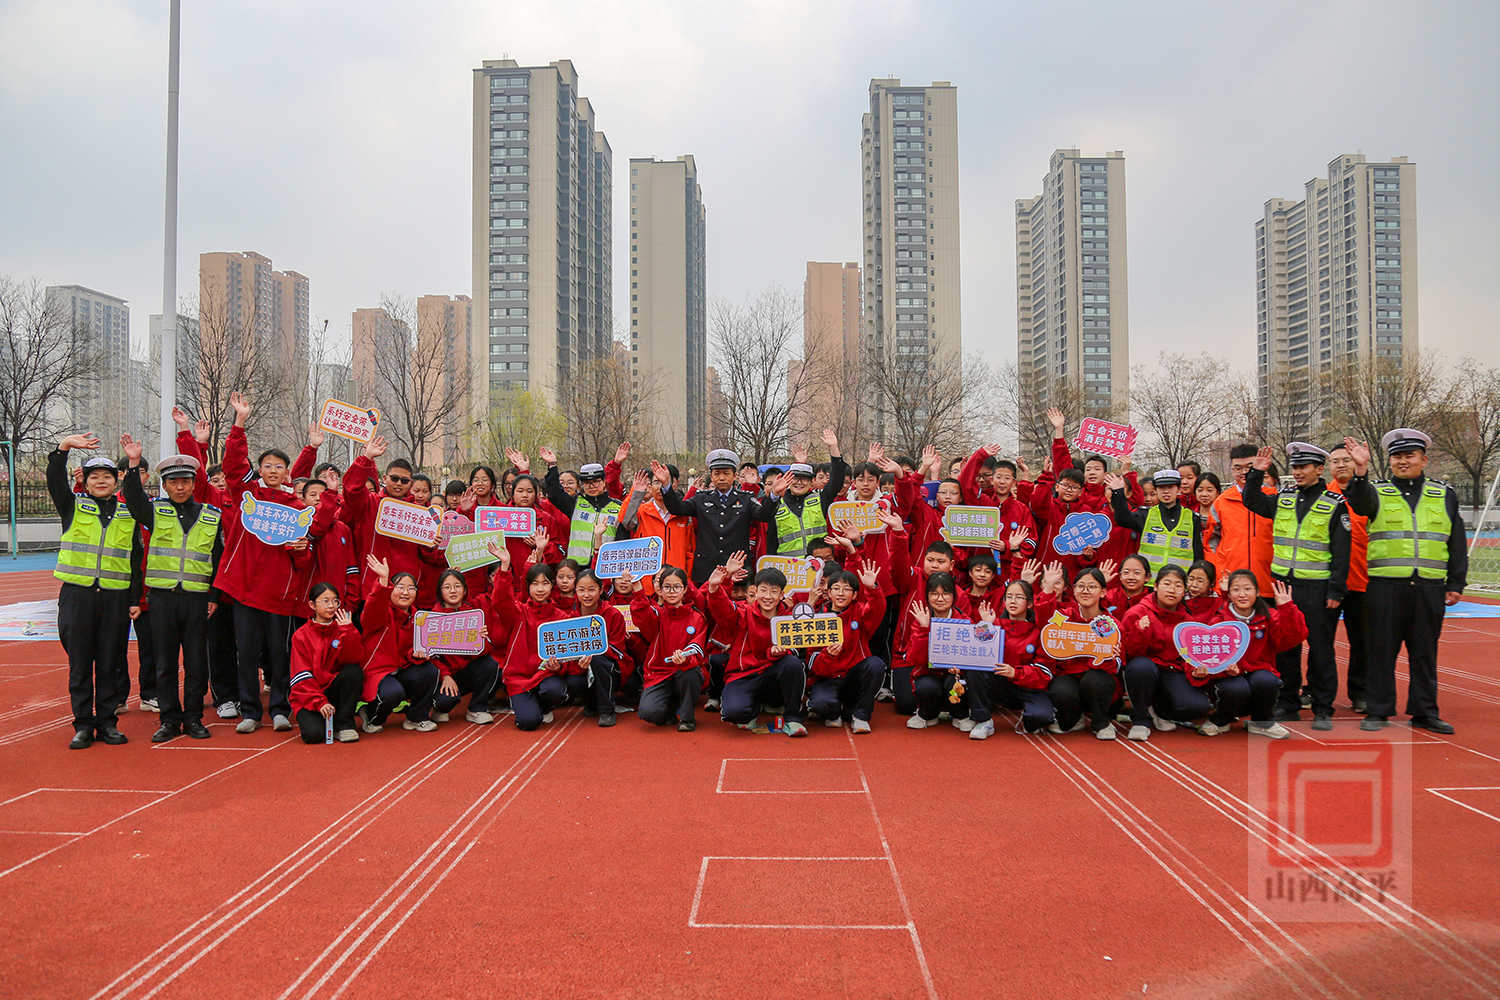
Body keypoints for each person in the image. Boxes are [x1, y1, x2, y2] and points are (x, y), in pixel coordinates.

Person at [1340, 431, 1466, 733]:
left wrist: (1455, 583)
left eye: (1410, 455)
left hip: (1428, 588)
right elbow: (1359, 504)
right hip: (1385, 587)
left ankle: (1425, 712)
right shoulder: (1376, 491)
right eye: (1397, 456)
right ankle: (1378, 710)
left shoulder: (1444, 494)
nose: (1403, 461)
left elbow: (1456, 540)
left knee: (1425, 653)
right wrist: (1360, 469)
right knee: (1381, 651)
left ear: (1424, 459)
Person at [214, 392, 316, 734]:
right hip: (245, 591)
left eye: (279, 467)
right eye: (268, 466)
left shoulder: (297, 508)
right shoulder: (248, 496)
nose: (273, 471)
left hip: (279, 595)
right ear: (260, 470)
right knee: (246, 652)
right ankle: (250, 711)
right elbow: (232, 465)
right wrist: (239, 422)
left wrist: (301, 548)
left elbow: (304, 560)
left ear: (288, 473)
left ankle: (280, 709)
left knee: (279, 653)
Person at [1240, 443, 1351, 728]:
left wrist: (1336, 590)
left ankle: (1323, 708)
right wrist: (1256, 473)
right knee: (1286, 648)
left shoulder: (1334, 503)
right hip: (1284, 587)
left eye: (1304, 467)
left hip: (1317, 588)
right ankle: (1287, 702)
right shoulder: (1284, 498)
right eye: (1295, 467)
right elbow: (1251, 501)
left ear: (1319, 469)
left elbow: (1342, 552)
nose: (1298, 472)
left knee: (1320, 649)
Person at [119, 440, 222, 742]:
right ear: (164, 485)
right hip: (162, 599)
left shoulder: (211, 515)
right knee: (164, 663)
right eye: (173, 482)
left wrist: (214, 596)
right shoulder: (155, 511)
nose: (180, 487)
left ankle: (193, 718)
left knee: (196, 664)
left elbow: (218, 559)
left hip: (196, 600)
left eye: (185, 481)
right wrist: (134, 464)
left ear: (194, 484)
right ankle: (169, 719)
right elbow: (133, 499)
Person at [49, 433, 140, 748]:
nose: (101, 481)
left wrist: (134, 599)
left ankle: (107, 722)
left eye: (107, 476)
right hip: (78, 596)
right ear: (85, 483)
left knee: (109, 662)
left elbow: (135, 559)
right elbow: (55, 482)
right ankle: (83, 724)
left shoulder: (128, 514)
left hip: (114, 598)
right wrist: (63, 448)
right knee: (80, 663)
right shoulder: (73, 507)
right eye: (94, 477)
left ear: (116, 482)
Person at [705, 554, 809, 736]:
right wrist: (715, 587)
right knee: (734, 713)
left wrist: (780, 652)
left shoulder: (789, 618)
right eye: (763, 590)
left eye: (774, 591)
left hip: (773, 674)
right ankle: (754, 707)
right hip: (744, 674)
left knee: (793, 664)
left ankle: (793, 718)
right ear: (755, 591)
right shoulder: (743, 613)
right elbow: (723, 610)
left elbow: (796, 648)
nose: (768, 596)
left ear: (781, 595)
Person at [1196, 571, 1304, 739]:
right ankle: (1220, 720)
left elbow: (1292, 638)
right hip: (1228, 677)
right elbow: (1209, 657)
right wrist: (1224, 669)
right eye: (1236, 590)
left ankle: (1262, 723)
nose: (1242, 594)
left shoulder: (1268, 616)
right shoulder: (1219, 620)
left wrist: (1287, 608)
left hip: (1258, 670)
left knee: (1267, 681)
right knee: (1235, 688)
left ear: (1258, 592)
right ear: (1228, 595)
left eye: (1247, 589)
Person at [1120, 565, 1208, 741]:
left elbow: (1189, 657)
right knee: (1140, 667)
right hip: (1145, 670)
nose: (1172, 590)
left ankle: (1159, 710)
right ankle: (1141, 719)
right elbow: (1127, 653)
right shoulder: (1138, 613)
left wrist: (1197, 670)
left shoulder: (1188, 622)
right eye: (1167, 584)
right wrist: (1140, 631)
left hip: (1171, 671)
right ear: (1156, 586)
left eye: (1178, 585)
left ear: (1184, 591)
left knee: (1197, 706)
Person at [489, 550, 573, 731]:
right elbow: (500, 601)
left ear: (552, 586)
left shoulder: (561, 618)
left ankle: (544, 706)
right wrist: (504, 567)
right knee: (529, 723)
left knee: (555, 691)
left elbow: (567, 655)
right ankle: (526, 705)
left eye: (545, 583)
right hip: (519, 679)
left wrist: (558, 667)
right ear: (528, 587)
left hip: (546, 675)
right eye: (535, 584)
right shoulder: (518, 612)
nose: (540, 589)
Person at [358, 555, 441, 733]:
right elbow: (373, 608)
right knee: (393, 693)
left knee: (429, 671)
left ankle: (416, 717)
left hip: (401, 668)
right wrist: (383, 581)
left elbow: (411, 649)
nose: (405, 592)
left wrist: (416, 654)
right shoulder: (382, 612)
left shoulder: (418, 617)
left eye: (411, 588)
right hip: (378, 672)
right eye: (400, 587)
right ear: (391, 589)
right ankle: (371, 716)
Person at [658, 451, 768, 585]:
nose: (721, 478)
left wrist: (774, 496)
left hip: (737, 568)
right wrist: (666, 486)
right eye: (717, 474)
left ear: (735, 476)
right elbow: (677, 509)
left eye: (726, 473)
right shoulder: (701, 498)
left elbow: (764, 515)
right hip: (706, 569)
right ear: (711, 476)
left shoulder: (746, 499)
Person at [1037, 566, 1121, 739]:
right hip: (1069, 674)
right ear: (1073, 590)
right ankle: (1075, 718)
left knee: (1095, 680)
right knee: (1061, 691)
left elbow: (1117, 666)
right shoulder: (1065, 616)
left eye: (1092, 586)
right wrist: (1048, 588)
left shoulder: (1110, 624)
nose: (1085, 591)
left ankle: (1101, 722)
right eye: (1081, 586)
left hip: (1097, 677)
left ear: (1103, 592)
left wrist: (1110, 656)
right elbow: (1045, 621)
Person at [967, 579, 1054, 738]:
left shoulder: (1039, 631)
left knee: (1041, 718)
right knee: (975, 668)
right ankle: (983, 721)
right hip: (1000, 684)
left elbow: (1044, 671)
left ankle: (1028, 717)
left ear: (1030, 604)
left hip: (1028, 688)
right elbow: (974, 653)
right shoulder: (994, 623)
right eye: (1009, 597)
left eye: (1019, 597)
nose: (1013, 601)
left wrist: (1016, 672)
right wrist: (985, 625)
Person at [806, 566, 886, 734]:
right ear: (829, 593)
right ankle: (835, 711)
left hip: (853, 678)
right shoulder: (818, 617)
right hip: (828, 678)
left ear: (855, 595)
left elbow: (877, 609)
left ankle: (861, 716)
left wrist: (872, 588)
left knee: (876, 664)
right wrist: (828, 655)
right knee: (821, 704)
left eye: (847, 589)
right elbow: (814, 666)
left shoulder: (860, 612)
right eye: (836, 588)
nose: (841, 593)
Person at [630, 566, 709, 731]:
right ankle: (670, 709)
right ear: (660, 590)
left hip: (685, 671)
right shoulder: (657, 615)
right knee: (649, 713)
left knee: (691, 672)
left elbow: (698, 649)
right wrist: (637, 586)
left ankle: (687, 719)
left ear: (685, 589)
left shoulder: (697, 617)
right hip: (659, 673)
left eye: (677, 587)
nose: (672, 591)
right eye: (667, 587)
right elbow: (642, 614)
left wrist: (686, 658)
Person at [1325, 443, 1370, 712]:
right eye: (1335, 461)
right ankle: (1319, 692)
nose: (1341, 465)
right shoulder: (1323, 496)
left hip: (1362, 580)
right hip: (1328, 582)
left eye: (1346, 459)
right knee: (1321, 642)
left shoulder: (1368, 495)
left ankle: (1360, 692)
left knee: (1362, 642)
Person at [288, 584, 364, 743]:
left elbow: (354, 658)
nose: (331, 606)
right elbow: (301, 675)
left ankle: (344, 724)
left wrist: (348, 632)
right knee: (313, 736)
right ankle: (326, 719)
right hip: (310, 694)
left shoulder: (343, 627)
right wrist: (319, 702)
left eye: (335, 601)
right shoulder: (301, 635)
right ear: (312, 605)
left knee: (354, 672)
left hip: (334, 689)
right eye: (325, 601)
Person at [426, 569, 502, 725]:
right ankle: (439, 709)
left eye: (457, 586)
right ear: (440, 591)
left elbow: (483, 653)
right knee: (445, 701)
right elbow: (431, 657)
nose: (453, 591)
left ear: (465, 590)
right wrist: (445, 675)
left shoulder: (472, 614)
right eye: (447, 587)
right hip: (444, 675)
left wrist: (481, 640)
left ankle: (476, 709)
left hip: (465, 671)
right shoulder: (433, 617)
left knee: (490, 664)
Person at [757, 429, 849, 557]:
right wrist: (774, 494)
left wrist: (834, 448)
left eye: (804, 479)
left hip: (819, 563)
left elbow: (837, 480)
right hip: (789, 566)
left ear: (811, 482)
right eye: (795, 478)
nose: (799, 482)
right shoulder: (776, 503)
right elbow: (763, 519)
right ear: (788, 480)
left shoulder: (820, 499)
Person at [1107, 469, 1203, 576]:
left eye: (1170, 487)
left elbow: (1198, 554)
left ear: (1178, 489)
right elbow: (1122, 518)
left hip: (1179, 582)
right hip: (1149, 582)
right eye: (1161, 487)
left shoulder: (1192, 518)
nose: (1166, 491)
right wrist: (1118, 492)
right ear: (1156, 490)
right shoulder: (1145, 514)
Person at [541, 447, 627, 566]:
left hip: (605, 566)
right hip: (576, 566)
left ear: (603, 482)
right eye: (587, 482)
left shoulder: (618, 507)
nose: (591, 486)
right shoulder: (575, 503)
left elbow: (623, 540)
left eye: (596, 481)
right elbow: (554, 494)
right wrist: (552, 466)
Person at [1214, 444, 1277, 596]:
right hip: (1232, 582)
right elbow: (1212, 542)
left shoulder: (1274, 499)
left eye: (1249, 466)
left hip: (1269, 581)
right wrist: (1220, 573)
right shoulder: (1221, 502)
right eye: (1237, 468)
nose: (1243, 472)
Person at [569, 567, 628, 726]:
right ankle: (591, 702)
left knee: (598, 661)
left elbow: (618, 650)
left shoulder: (613, 614)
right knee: (573, 681)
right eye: (581, 590)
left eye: (591, 589)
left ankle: (607, 710)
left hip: (610, 667)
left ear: (601, 590)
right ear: (575, 591)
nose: (586, 595)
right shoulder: (571, 617)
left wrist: (593, 650)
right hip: (582, 666)